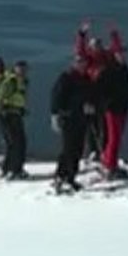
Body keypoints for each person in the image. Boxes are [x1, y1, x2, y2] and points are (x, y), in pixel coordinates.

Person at [75, 21, 125, 160]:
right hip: (91, 93)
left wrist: (114, 34)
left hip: (105, 95)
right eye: (94, 45)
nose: (97, 47)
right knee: (92, 123)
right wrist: (82, 35)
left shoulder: (107, 57)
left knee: (106, 124)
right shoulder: (89, 58)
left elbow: (117, 50)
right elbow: (80, 51)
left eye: (99, 44)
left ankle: (104, 149)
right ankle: (93, 150)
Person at [97, 46, 128, 179]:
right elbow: (99, 88)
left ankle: (108, 161)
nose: (124, 56)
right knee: (114, 138)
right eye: (121, 54)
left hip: (123, 107)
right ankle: (110, 167)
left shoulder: (124, 69)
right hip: (112, 108)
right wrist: (105, 102)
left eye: (125, 54)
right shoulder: (108, 70)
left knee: (117, 138)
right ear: (115, 55)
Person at [50, 55, 93, 192]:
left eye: (83, 62)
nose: (82, 65)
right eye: (79, 62)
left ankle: (69, 177)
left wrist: (91, 106)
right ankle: (62, 176)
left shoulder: (86, 79)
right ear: (74, 63)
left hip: (81, 119)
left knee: (77, 149)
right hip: (68, 118)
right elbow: (56, 96)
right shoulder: (66, 77)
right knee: (69, 148)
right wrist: (56, 114)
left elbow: (90, 97)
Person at [0, 61, 30, 180]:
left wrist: (22, 109)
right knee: (16, 142)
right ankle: (14, 169)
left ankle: (10, 168)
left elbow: (18, 98)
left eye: (25, 69)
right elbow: (1, 97)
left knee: (16, 142)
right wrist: (2, 111)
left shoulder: (21, 82)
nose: (23, 72)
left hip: (15, 114)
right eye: (20, 69)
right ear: (15, 69)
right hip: (8, 115)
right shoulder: (11, 81)